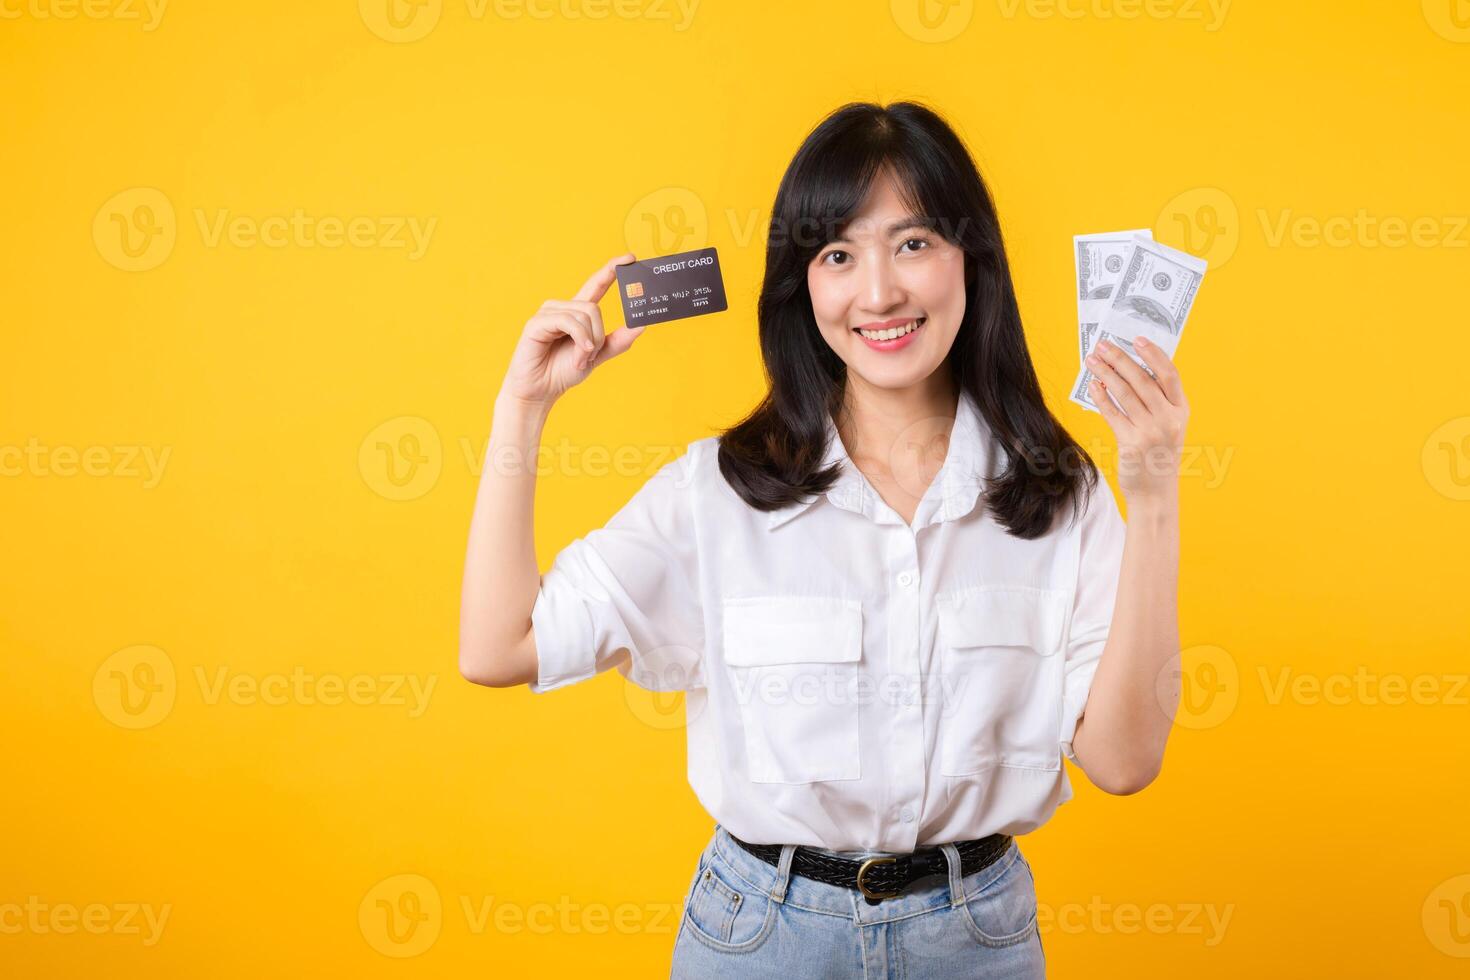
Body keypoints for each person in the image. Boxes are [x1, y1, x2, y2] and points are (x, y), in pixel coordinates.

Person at [458, 100, 1187, 979]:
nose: (878, 292)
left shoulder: (1057, 492)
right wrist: (522, 410)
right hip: (760, 941)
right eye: (838, 255)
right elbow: (498, 647)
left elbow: (1123, 760)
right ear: (803, 285)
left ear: (973, 261)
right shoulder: (719, 490)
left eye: (913, 243)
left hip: (977, 942)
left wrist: (1151, 497)